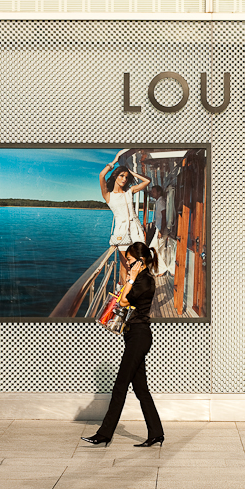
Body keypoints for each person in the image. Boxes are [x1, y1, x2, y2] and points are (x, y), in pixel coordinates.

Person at [82, 242, 165, 447]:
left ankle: (104, 434)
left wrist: (131, 278)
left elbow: (123, 301)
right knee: (140, 389)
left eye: (129, 260)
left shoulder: (145, 280)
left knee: (120, 385)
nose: (127, 264)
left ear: (140, 260)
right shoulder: (139, 279)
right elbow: (122, 297)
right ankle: (156, 433)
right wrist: (131, 280)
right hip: (132, 336)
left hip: (139, 336)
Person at [99, 157, 151, 283]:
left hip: (135, 229)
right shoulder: (108, 195)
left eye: (126, 177)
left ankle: (135, 288)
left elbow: (147, 181)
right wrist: (114, 161)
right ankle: (124, 292)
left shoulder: (129, 191)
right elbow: (101, 175)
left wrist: (131, 172)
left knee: (140, 261)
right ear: (115, 176)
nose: (124, 179)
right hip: (121, 232)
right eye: (121, 176)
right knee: (125, 265)